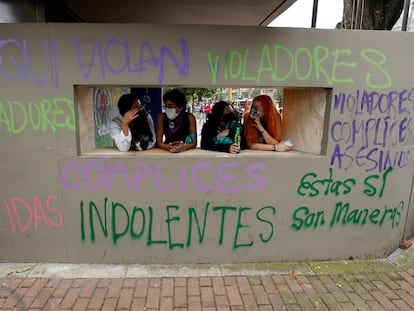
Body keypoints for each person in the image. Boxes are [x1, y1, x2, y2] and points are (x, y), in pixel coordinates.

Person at [156, 88, 197, 153]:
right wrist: (167, 147)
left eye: (171, 106)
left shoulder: (190, 117)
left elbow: (193, 143)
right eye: (165, 106)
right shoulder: (162, 117)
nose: (167, 108)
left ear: (180, 107)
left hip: (184, 151)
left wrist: (184, 147)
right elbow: (159, 142)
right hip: (167, 150)